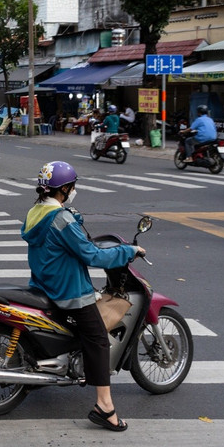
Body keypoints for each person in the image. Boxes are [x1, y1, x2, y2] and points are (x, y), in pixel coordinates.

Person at [22, 161, 144, 432]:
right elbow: (92, 255)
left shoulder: (35, 212)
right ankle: (105, 407)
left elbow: (61, 245)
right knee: (99, 340)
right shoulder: (61, 219)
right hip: (69, 291)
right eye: (72, 186)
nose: (74, 190)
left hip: (43, 284)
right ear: (64, 188)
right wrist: (129, 251)